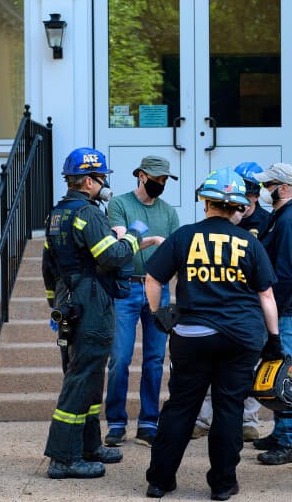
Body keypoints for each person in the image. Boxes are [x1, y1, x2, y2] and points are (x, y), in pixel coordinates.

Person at [143, 168, 283, 500]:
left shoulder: (183, 237)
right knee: (228, 408)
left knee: (180, 407)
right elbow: (266, 296)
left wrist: (158, 315)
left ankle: (159, 481)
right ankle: (222, 485)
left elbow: (153, 278)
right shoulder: (249, 241)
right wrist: (274, 339)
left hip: (191, 337)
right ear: (235, 207)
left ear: (206, 203)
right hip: (239, 338)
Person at [41, 147, 150, 480]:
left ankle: (89, 446)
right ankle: (63, 458)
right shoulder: (88, 214)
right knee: (80, 378)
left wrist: (55, 304)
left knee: (88, 375)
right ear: (88, 181)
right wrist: (134, 235)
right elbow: (112, 256)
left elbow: (48, 267)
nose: (104, 183)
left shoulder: (56, 215)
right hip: (90, 303)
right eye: (101, 178)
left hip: (69, 299)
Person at [191, 161, 270, 442]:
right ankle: (203, 419)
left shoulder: (266, 222)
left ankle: (249, 419)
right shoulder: (218, 222)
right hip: (220, 304)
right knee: (211, 368)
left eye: (251, 193)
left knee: (249, 367)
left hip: (250, 306)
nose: (246, 200)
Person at [105, 156, 180, 448]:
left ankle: (149, 422)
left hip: (158, 289)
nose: (160, 184)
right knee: (120, 359)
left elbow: (174, 252)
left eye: (164, 180)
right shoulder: (120, 205)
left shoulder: (169, 213)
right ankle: (116, 423)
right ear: (140, 175)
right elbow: (120, 246)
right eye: (156, 178)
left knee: (154, 360)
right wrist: (154, 241)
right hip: (125, 288)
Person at [251, 163, 292, 465]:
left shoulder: (288, 220)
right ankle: (281, 430)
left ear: (283, 187)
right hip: (280, 307)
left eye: (268, 184)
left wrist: (273, 310)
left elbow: (286, 273)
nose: (263, 190)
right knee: (276, 371)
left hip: (284, 309)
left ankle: (291, 440)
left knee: (287, 375)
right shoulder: (280, 217)